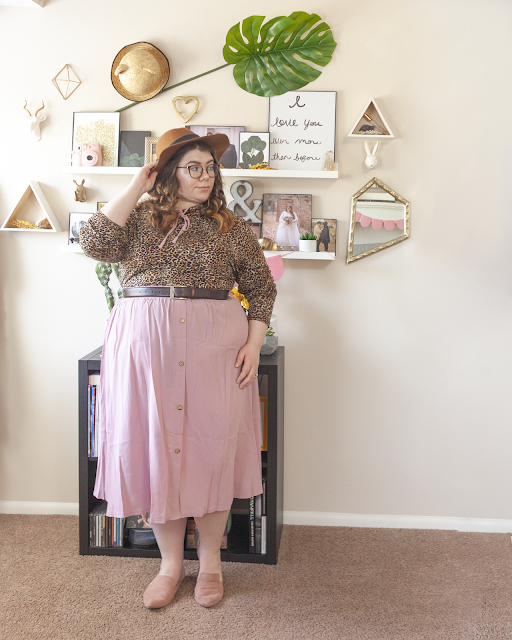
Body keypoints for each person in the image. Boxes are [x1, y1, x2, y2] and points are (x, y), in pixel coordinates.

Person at [79, 127, 277, 610]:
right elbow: (92, 242)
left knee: (212, 451)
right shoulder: (139, 218)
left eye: (211, 168)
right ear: (167, 173)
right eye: (194, 167)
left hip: (217, 349)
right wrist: (135, 186)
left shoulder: (229, 226)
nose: (206, 176)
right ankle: (170, 566)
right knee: (156, 453)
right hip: (148, 352)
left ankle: (211, 565)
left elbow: (260, 287)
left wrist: (254, 343)